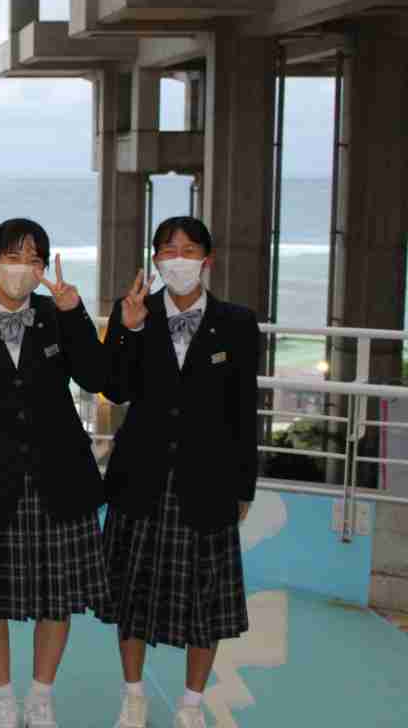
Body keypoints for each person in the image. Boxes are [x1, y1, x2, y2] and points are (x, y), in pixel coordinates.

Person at [0, 218, 112, 728]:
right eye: (12, 257)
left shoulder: (58, 316)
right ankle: (1, 700)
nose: (22, 268)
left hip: (62, 475)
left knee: (57, 598)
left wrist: (75, 313)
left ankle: (41, 696)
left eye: (34, 259)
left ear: (43, 269)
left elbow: (97, 377)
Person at [98, 216, 259, 728]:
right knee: (131, 595)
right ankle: (133, 696)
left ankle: (191, 706)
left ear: (207, 260)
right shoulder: (134, 312)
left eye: (189, 250)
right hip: (139, 474)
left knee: (205, 602)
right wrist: (128, 330)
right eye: (168, 250)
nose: (178, 259)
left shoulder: (237, 322)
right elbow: (115, 389)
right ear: (155, 260)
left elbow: (244, 409)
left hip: (208, 477)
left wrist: (244, 484)